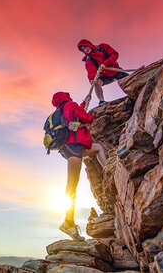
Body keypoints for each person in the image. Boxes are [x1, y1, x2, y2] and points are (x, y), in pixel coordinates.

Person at [52, 91, 108, 241]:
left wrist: (84, 103)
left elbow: (75, 115)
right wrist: (85, 113)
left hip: (68, 148)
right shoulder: (70, 105)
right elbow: (86, 117)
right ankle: (68, 222)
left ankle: (108, 169)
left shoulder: (62, 109)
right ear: (66, 97)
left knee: (98, 148)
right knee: (71, 185)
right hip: (74, 147)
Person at [77, 39, 128, 105]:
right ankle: (101, 101)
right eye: (82, 50)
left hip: (116, 70)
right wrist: (91, 79)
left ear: (88, 44)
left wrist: (105, 64)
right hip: (105, 76)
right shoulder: (89, 60)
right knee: (96, 82)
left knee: (131, 79)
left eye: (85, 47)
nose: (85, 50)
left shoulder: (103, 47)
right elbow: (91, 71)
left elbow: (114, 54)